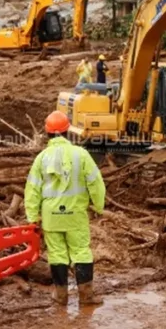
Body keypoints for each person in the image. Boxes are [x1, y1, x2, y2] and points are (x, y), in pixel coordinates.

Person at [25, 112, 106, 306]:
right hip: (75, 215)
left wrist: (32, 217)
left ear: (47, 133)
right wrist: (99, 205)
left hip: (51, 216)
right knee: (81, 252)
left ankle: (61, 296)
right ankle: (86, 296)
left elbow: (32, 190)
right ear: (67, 130)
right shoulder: (81, 154)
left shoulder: (41, 158)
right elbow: (96, 182)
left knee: (57, 254)